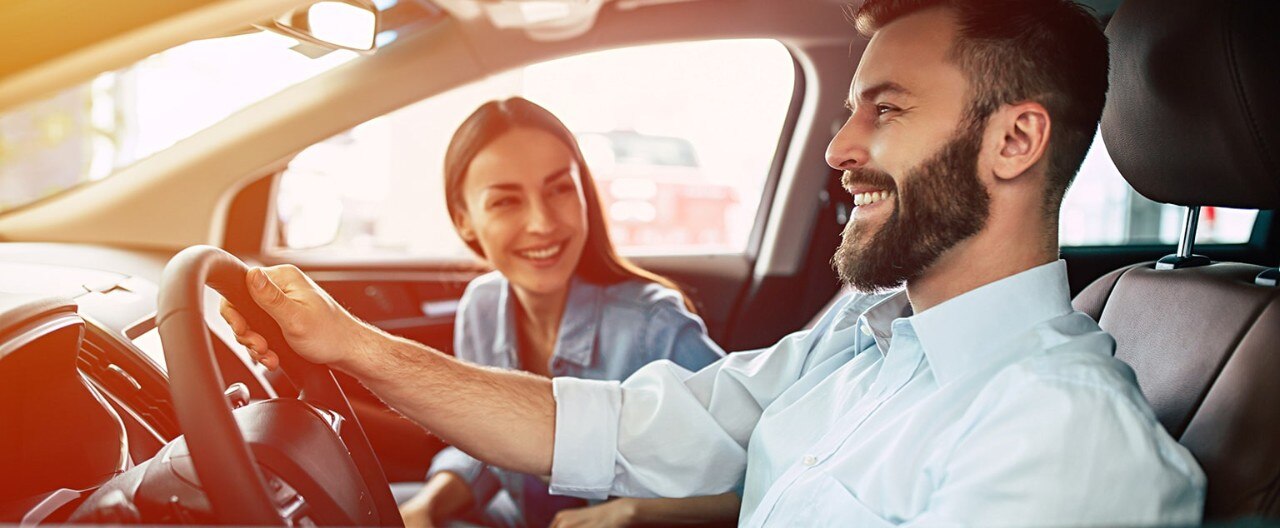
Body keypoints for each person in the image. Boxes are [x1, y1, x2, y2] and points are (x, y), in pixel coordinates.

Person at [221, 0, 1207, 525]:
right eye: (850, 107)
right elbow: (614, 425)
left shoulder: (1064, 440)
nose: (837, 148)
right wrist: (351, 345)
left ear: (1012, 142)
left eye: (886, 109)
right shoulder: (858, 350)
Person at [382, 97, 734, 527]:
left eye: (560, 189)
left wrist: (635, 513)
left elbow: (765, 468)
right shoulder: (482, 306)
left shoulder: (654, 326)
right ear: (464, 220)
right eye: (506, 202)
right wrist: (430, 504)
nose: (542, 223)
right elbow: (486, 444)